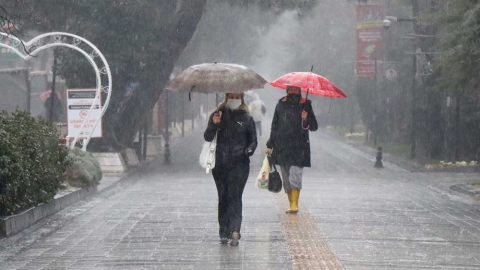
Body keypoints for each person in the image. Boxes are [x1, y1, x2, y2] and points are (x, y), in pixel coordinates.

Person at [204, 92, 257, 246]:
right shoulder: (218, 115)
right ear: (226, 98)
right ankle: (224, 230)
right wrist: (214, 123)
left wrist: (247, 151)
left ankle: (235, 229)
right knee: (223, 196)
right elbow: (207, 137)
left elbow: (253, 141)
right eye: (231, 96)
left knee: (235, 195)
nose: (234, 99)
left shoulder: (247, 118)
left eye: (237, 96)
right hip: (220, 164)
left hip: (239, 164)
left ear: (241, 99)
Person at [265, 85, 318, 214]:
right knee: (286, 178)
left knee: (295, 175)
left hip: (300, 147)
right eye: (291, 89)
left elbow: (314, 126)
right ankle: (290, 202)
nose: (293, 92)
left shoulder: (306, 104)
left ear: (300, 91)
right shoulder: (281, 104)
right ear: (287, 90)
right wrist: (270, 144)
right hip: (282, 146)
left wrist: (306, 118)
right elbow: (275, 125)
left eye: (296, 89)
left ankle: (295, 204)